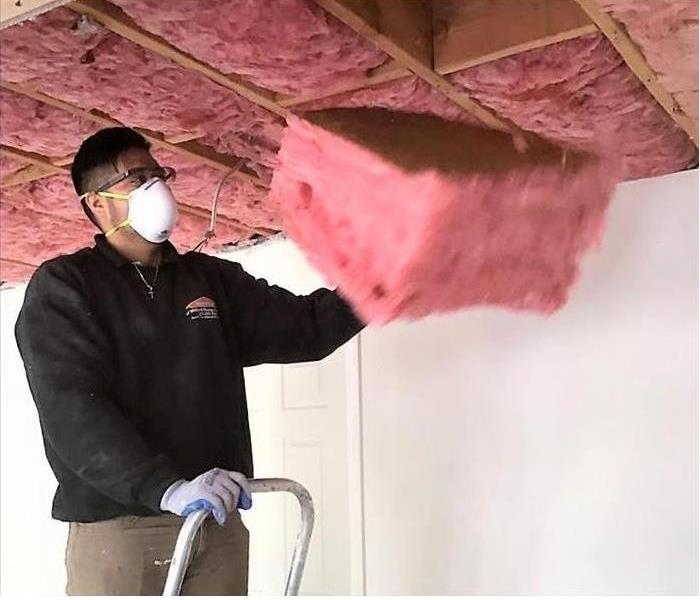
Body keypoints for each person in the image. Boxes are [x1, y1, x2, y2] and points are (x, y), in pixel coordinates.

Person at [15, 127, 364, 595]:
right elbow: (73, 411)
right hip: (122, 532)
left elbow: (307, 328)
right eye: (135, 178)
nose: (155, 186)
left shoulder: (210, 280)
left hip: (212, 526)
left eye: (157, 173)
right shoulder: (66, 288)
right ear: (97, 204)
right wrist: (165, 488)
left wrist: (377, 284)